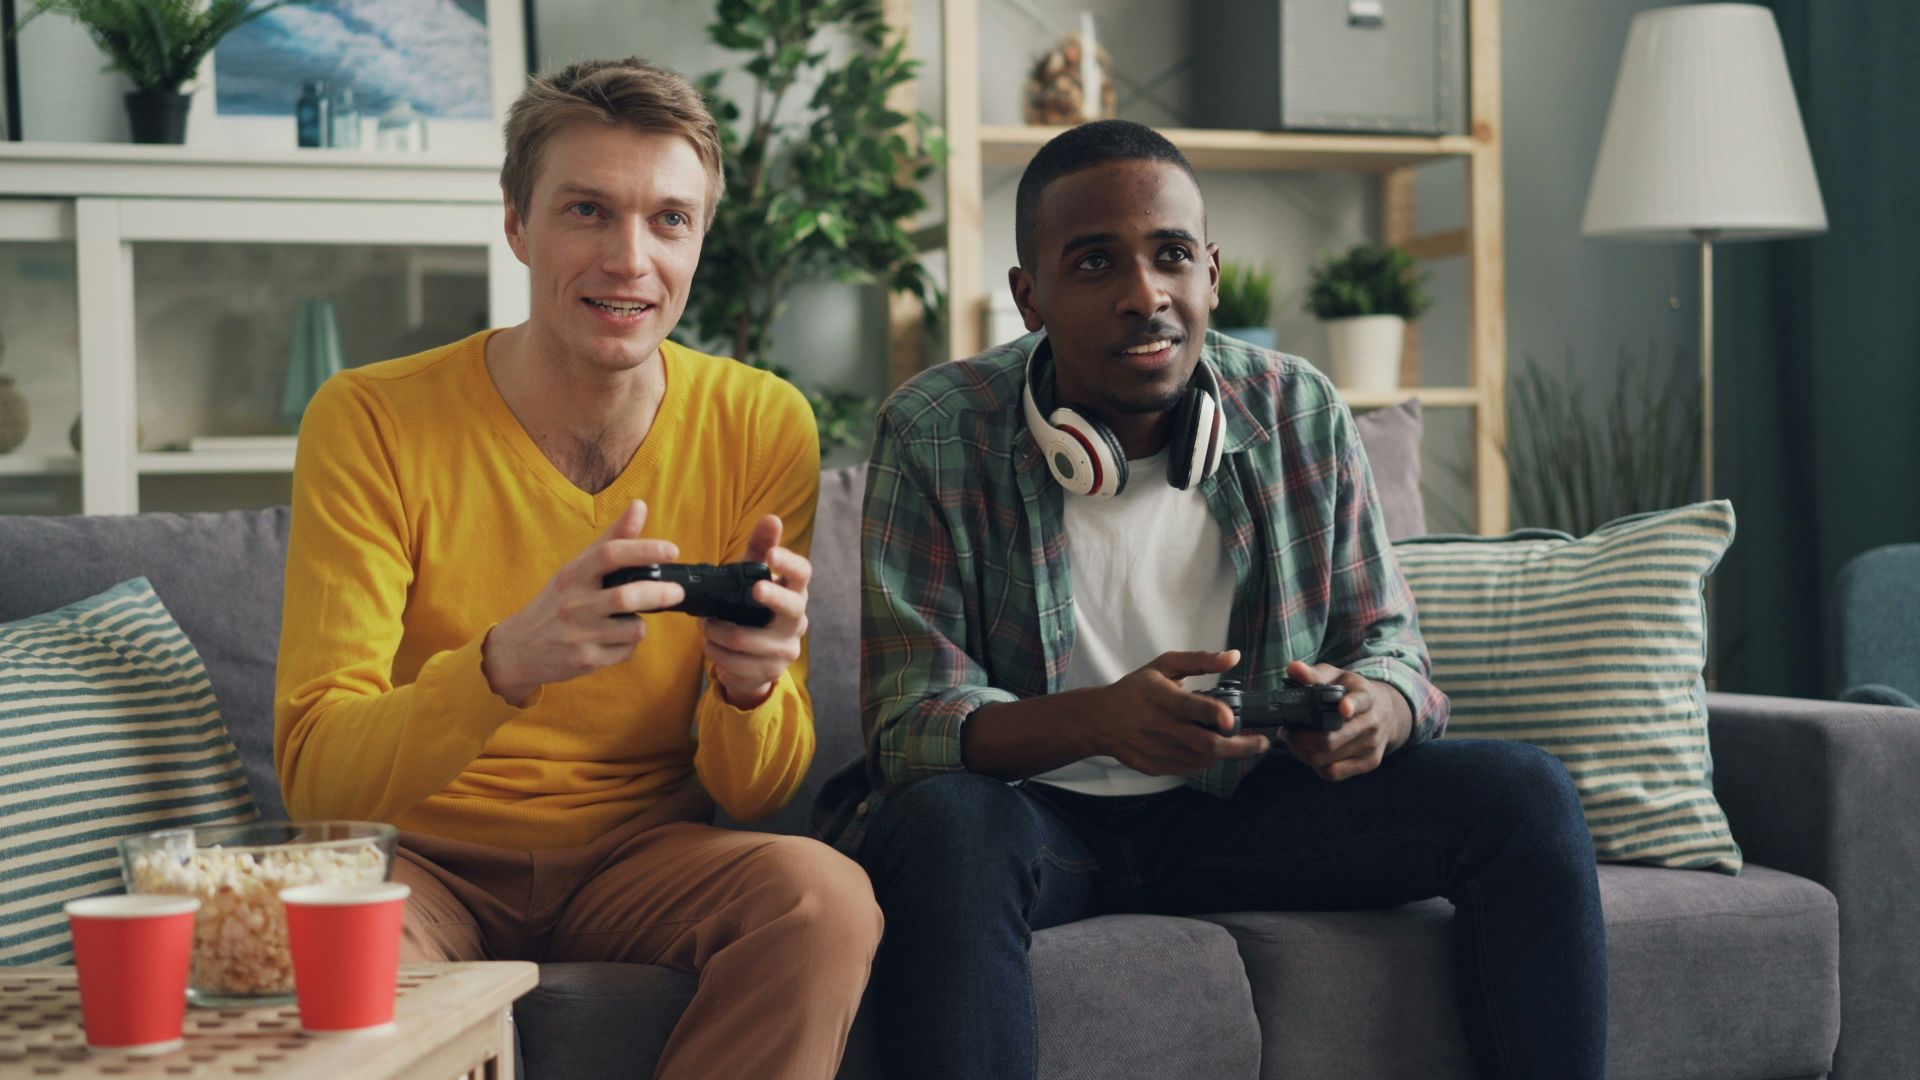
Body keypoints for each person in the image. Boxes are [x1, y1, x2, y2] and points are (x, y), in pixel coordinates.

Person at [823, 119, 1607, 1080]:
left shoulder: (1296, 408)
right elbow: (907, 726)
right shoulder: (936, 431)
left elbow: (1391, 643)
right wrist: (1100, 722)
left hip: (1245, 812)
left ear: (1213, 273)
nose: (1145, 294)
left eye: (1172, 255)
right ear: (1029, 298)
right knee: (944, 824)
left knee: (1525, 794)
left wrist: (1380, 709)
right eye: (1095, 263)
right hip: (1037, 821)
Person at [275, 57, 880, 1080]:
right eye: (588, 211)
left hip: (641, 860)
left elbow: (758, 791)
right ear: (518, 224)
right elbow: (316, 779)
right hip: (417, 860)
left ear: (699, 238)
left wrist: (751, 688)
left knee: (823, 898)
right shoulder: (371, 418)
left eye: (669, 220)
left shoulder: (762, 420)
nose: (629, 260)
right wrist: (504, 664)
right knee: (333, 927)